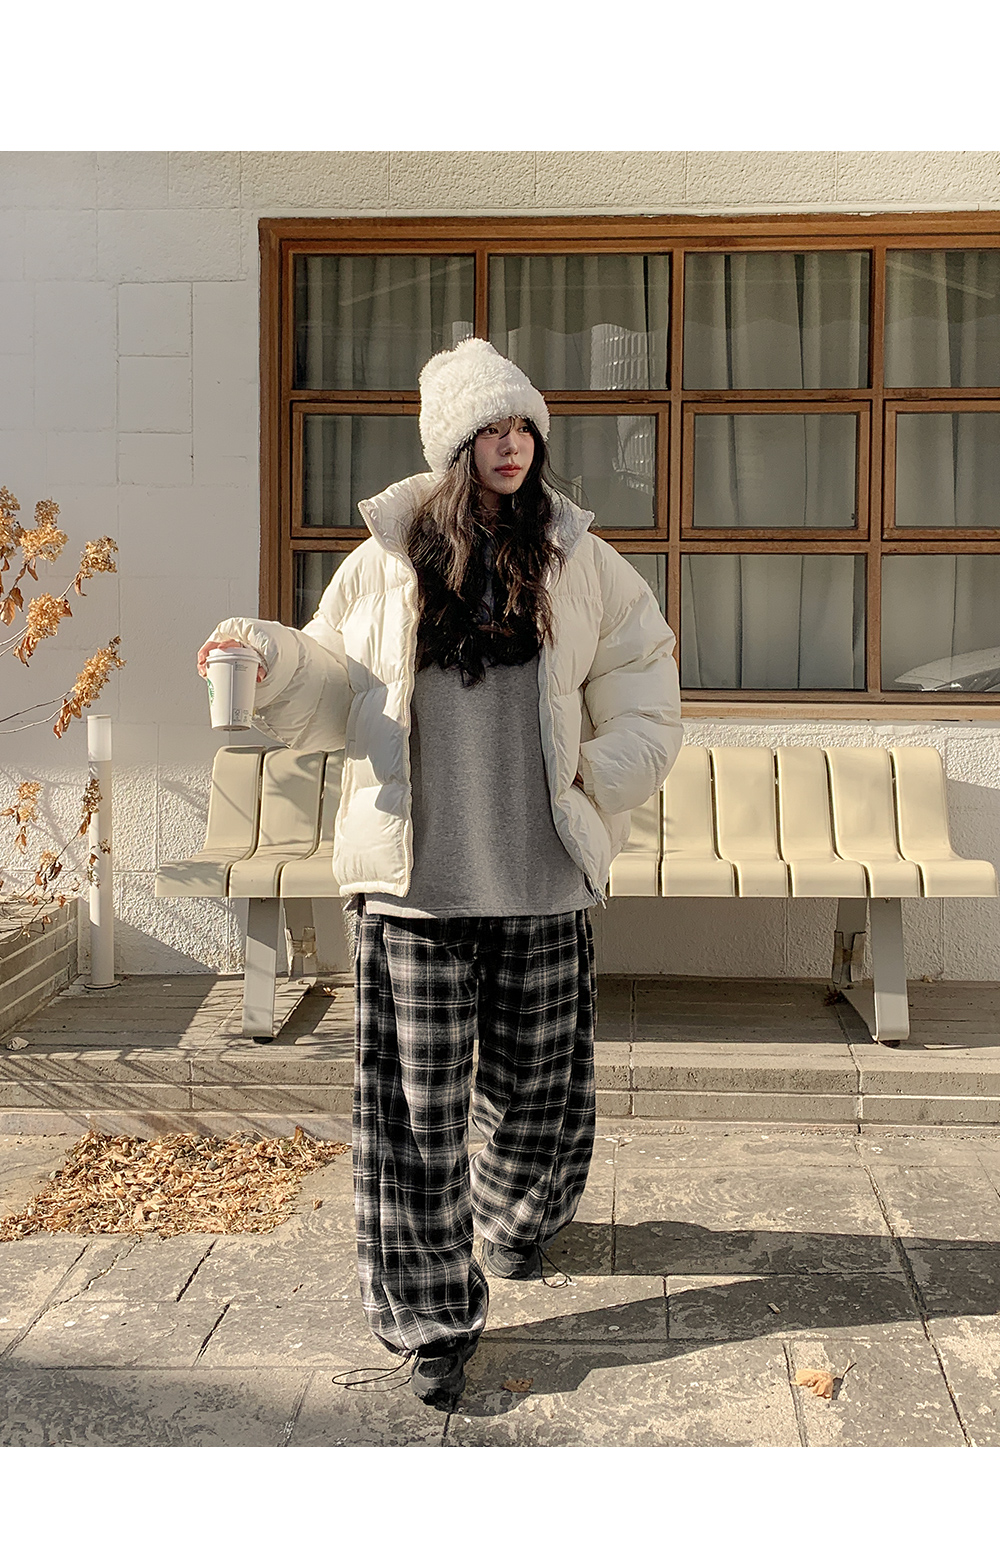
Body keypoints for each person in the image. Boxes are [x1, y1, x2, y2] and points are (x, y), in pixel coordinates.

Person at [198, 338, 683, 1409]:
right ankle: (430, 1317)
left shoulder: (577, 557)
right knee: (414, 1118)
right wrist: (264, 660)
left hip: (542, 874)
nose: (511, 446)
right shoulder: (385, 560)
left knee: (541, 1091)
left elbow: (645, 676)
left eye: (523, 428)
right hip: (413, 886)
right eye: (489, 431)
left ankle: (516, 1216)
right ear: (453, 448)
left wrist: (594, 773)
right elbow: (330, 683)